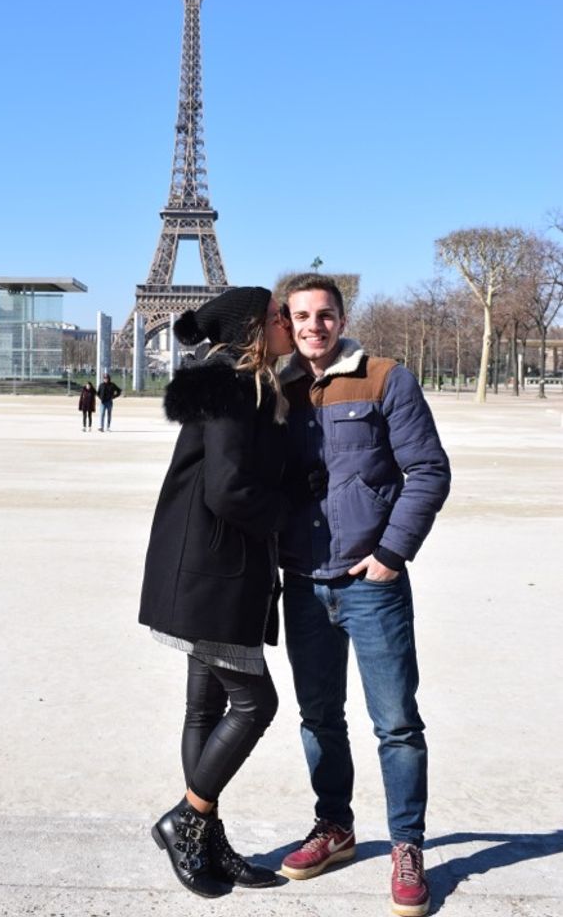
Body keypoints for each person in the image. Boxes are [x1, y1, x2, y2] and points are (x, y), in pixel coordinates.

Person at [276, 273, 451, 917]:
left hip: (370, 583)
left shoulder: (386, 377)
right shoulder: (278, 388)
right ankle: (336, 828)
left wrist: (390, 555)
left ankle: (408, 846)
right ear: (286, 323)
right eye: (300, 316)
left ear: (341, 317)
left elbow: (429, 470)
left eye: (324, 314)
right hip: (303, 580)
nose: (313, 326)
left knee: (396, 724)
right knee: (319, 718)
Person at [138, 286, 293, 898]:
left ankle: (205, 836)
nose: (288, 322)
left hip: (200, 563)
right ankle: (187, 818)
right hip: (217, 568)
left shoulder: (236, 380)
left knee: (204, 708)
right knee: (257, 705)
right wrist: (292, 510)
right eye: (281, 314)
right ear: (256, 326)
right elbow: (229, 488)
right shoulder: (236, 383)